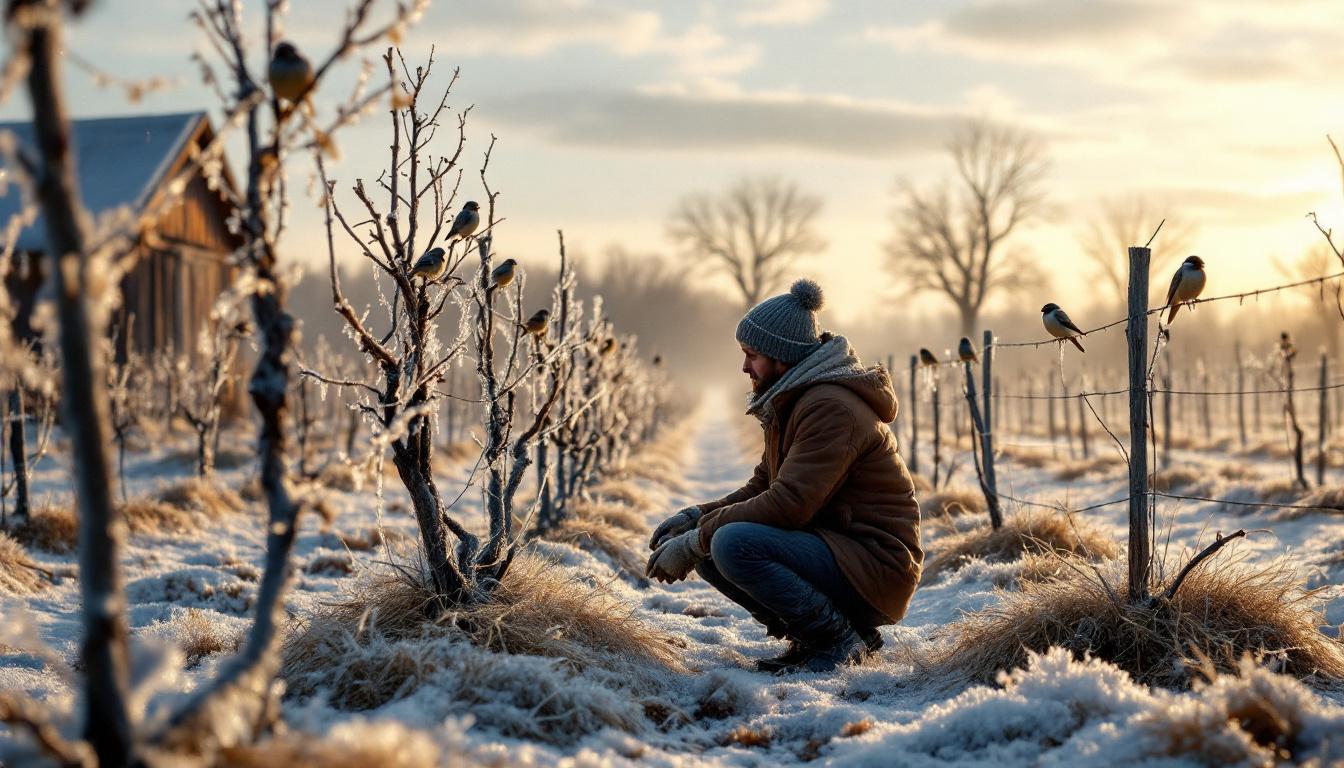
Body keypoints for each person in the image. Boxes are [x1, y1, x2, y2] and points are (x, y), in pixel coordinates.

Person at [646, 279, 923, 673]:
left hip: (876, 566)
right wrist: (696, 516)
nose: (744, 367)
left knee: (728, 543)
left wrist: (697, 540)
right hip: (843, 552)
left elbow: (789, 504)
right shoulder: (795, 399)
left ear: (782, 356)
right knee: (712, 540)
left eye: (752, 355)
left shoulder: (830, 407)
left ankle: (838, 641)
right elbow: (764, 484)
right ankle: (824, 636)